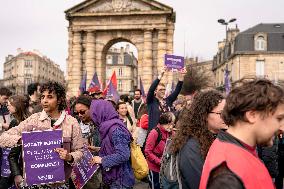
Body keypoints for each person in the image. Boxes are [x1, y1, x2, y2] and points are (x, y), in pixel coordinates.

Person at [199, 79, 284, 189]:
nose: (282, 127)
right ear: (252, 115)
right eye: (279, 118)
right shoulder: (227, 175)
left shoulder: (235, 152)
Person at [0, 81, 84, 188]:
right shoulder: (34, 119)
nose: (44, 100)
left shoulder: (72, 122)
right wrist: (22, 140)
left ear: (59, 100)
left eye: (50, 97)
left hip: (61, 184)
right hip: (35, 183)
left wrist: (69, 157)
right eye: (43, 97)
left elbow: (80, 152)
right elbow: (3, 138)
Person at [170, 90, 226, 189]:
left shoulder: (219, 137)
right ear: (204, 115)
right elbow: (199, 184)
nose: (226, 117)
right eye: (221, 113)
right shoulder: (191, 147)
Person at [89, 100, 135, 189]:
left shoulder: (115, 129)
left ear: (101, 113)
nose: (93, 117)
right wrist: (97, 149)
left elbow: (123, 155)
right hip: (114, 177)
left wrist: (101, 160)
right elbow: (113, 147)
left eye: (94, 114)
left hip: (120, 180)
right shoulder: (108, 126)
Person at [0, 95, 30, 189]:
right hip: (21, 167)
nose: (7, 107)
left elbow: (12, 153)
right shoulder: (26, 119)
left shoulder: (19, 122)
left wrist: (16, 174)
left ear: (17, 106)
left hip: (19, 167)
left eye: (9, 104)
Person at [74, 96, 102, 189]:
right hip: (89, 172)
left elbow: (118, 152)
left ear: (92, 109)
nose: (80, 115)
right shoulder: (79, 123)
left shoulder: (103, 125)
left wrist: (100, 154)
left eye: (82, 112)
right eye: (77, 113)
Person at [145, 112, 175, 189]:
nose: (171, 126)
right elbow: (148, 151)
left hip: (166, 168)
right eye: (169, 124)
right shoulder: (154, 133)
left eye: (172, 124)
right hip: (155, 168)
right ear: (162, 122)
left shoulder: (171, 133)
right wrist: (160, 162)